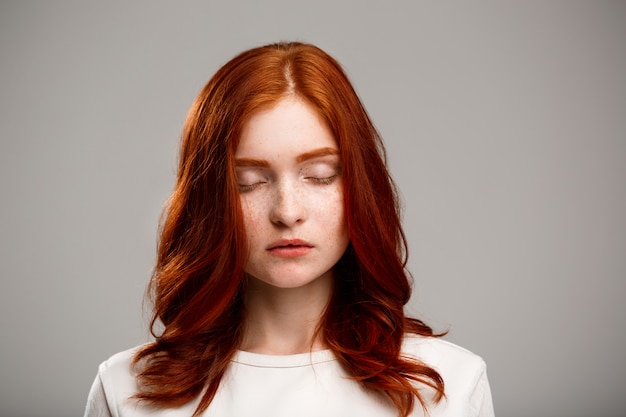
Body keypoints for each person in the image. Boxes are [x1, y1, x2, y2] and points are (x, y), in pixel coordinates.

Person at [84, 41, 494, 417]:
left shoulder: (447, 386)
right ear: (209, 200)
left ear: (361, 185)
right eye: (250, 182)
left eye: (318, 175)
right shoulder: (127, 390)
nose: (287, 211)